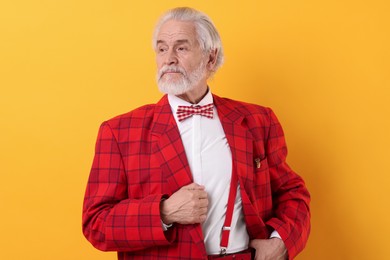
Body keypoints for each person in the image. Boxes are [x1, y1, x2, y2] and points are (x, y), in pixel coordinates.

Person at [82, 7, 310, 260]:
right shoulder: (119, 132)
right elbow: (96, 223)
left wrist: (280, 242)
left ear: (210, 58)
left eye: (181, 48)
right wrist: (164, 212)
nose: (168, 58)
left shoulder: (258, 121)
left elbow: (292, 193)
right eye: (161, 48)